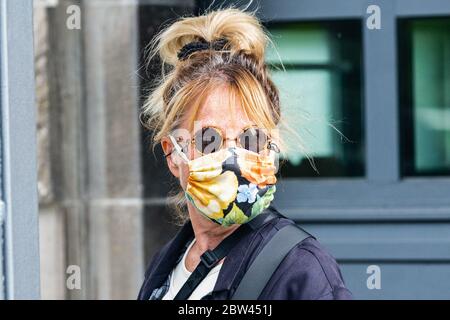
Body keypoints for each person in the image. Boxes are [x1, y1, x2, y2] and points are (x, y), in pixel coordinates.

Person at [137, 7, 352, 300]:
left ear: (272, 149)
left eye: (251, 138)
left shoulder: (299, 269)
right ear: (173, 154)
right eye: (209, 139)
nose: (234, 157)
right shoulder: (166, 266)